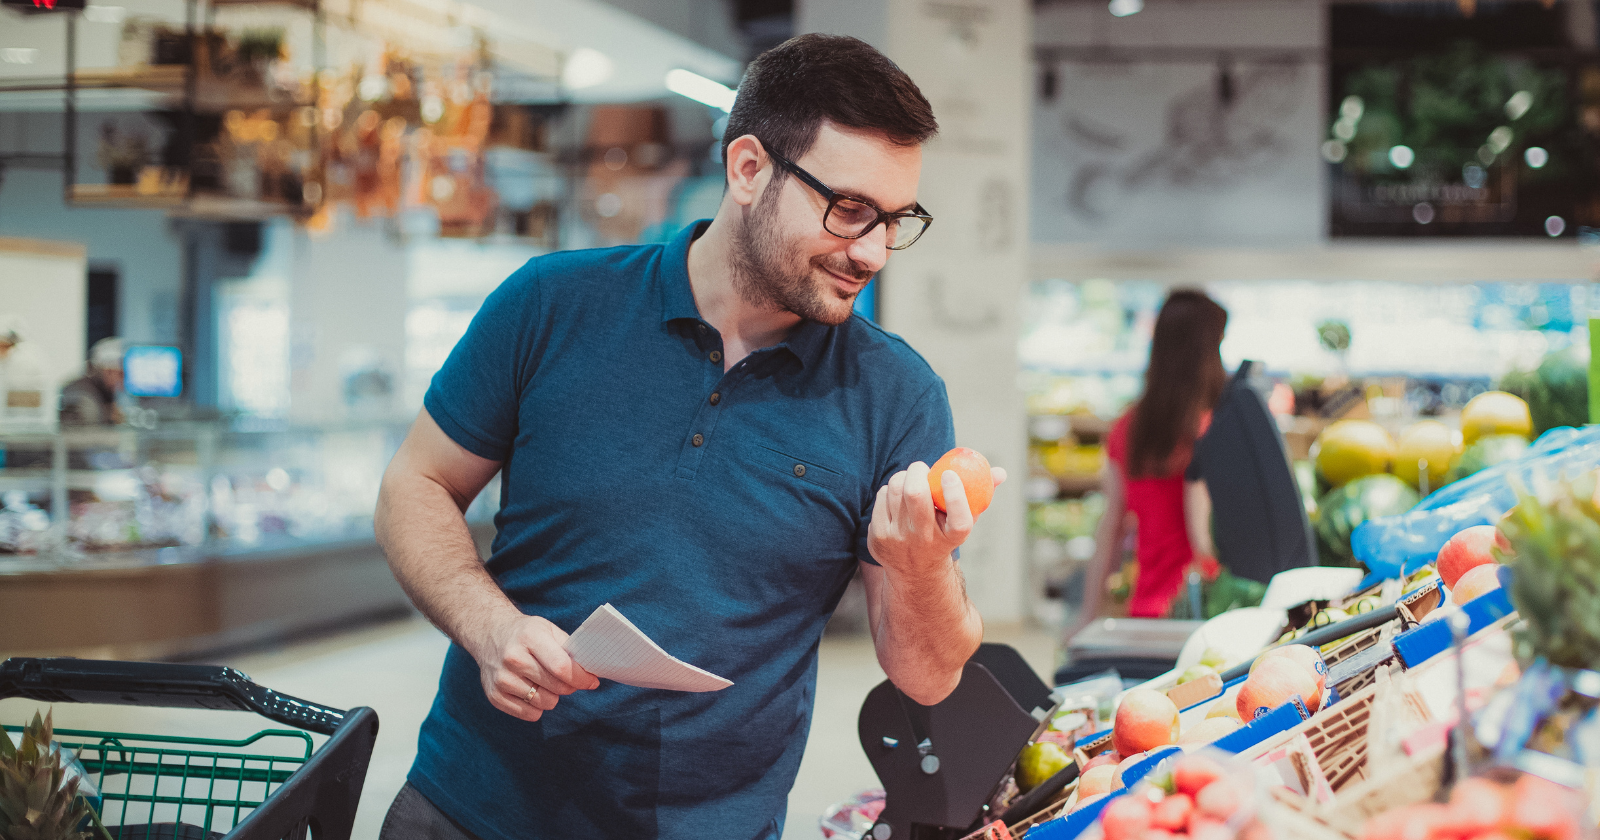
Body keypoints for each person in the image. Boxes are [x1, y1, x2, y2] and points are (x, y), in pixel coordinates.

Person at [374, 34, 1005, 840]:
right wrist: (488, 627)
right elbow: (415, 485)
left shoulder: (896, 395)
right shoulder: (551, 305)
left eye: (896, 219)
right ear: (748, 169)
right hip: (472, 808)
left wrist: (919, 570)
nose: (874, 251)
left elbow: (927, 676)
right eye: (849, 210)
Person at [1072, 290, 1227, 631]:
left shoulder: (1128, 428)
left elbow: (1112, 526)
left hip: (1150, 611)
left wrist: (1086, 615)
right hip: (1213, 609)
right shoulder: (1218, 426)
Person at [60, 337, 125, 426]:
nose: (124, 382)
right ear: (108, 371)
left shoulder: (95, 393)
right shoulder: (83, 398)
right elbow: (84, 436)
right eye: (121, 375)